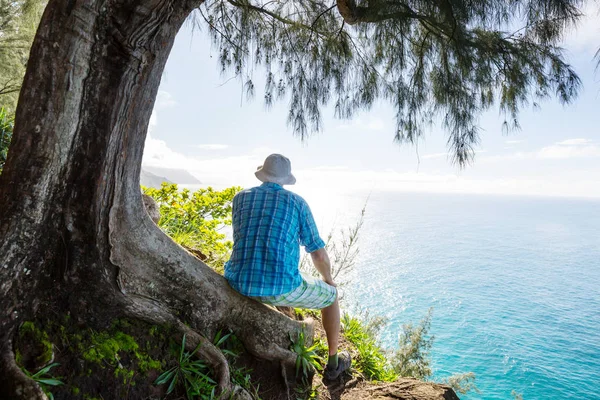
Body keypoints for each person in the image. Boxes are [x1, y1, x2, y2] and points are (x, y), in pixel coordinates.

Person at [224, 154, 351, 380]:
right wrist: (329, 279)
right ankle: (333, 364)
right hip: (279, 287)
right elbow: (318, 253)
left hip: (238, 280)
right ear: (285, 179)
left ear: (262, 174)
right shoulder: (296, 203)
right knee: (331, 296)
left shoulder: (240, 198)